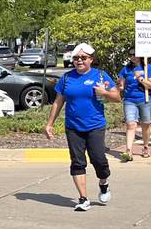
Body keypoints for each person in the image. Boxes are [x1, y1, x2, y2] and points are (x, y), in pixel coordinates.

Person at [44, 43, 121, 211]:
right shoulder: (66, 78)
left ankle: (104, 182)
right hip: (73, 126)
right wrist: (50, 123)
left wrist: (105, 93)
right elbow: (58, 102)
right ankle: (83, 198)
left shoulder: (100, 76)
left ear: (91, 60)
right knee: (77, 162)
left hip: (95, 125)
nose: (79, 61)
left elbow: (117, 97)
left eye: (83, 58)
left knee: (98, 159)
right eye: (76, 58)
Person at [116, 55, 151, 159]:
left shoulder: (147, 67)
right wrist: (119, 86)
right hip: (129, 100)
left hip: (145, 99)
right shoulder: (126, 69)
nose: (133, 56)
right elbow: (121, 85)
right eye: (130, 54)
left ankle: (146, 146)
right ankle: (128, 150)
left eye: (135, 54)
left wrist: (140, 78)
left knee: (145, 124)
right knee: (130, 124)